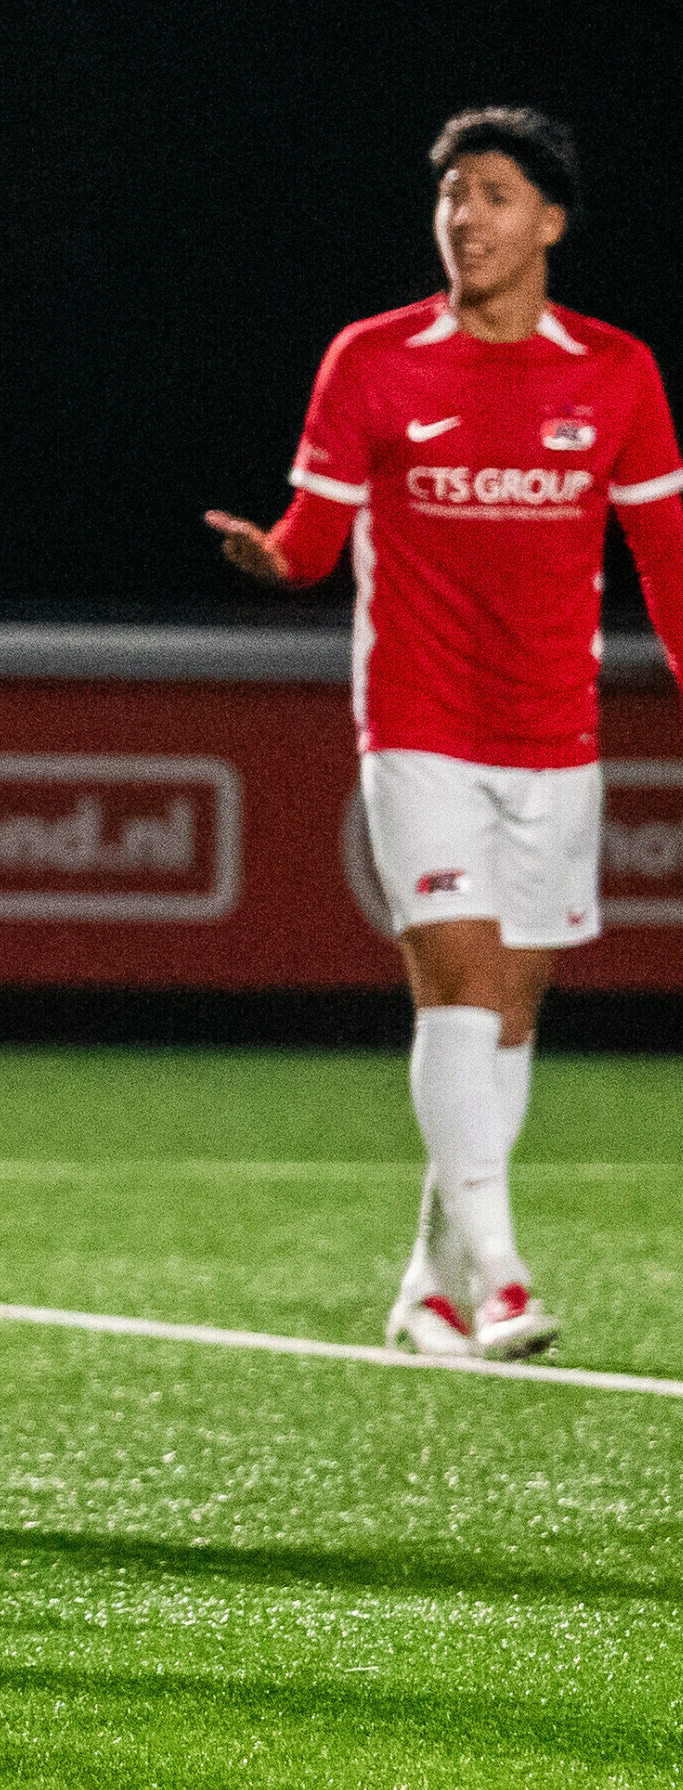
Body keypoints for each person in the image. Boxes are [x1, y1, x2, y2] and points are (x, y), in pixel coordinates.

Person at [205, 106, 677, 1364]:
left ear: (551, 222)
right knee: (460, 988)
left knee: (509, 1016)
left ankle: (427, 1281)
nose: (465, 218)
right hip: (419, 730)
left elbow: (669, 563)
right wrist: (277, 559)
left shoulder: (616, 374)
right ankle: (509, 1276)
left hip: (555, 742)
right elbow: (316, 534)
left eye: (494, 196)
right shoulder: (373, 359)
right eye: (451, 195)